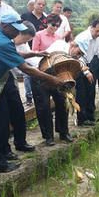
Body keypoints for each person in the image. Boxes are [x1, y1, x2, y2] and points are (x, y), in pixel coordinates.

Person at [0, 13, 64, 173]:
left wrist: (34, 53)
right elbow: (26, 69)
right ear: (5, 26)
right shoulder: (2, 42)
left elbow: (13, 55)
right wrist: (54, 80)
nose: (17, 33)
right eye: (14, 30)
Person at [0, 21, 40, 161]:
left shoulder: (15, 42)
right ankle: (4, 150)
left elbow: (20, 54)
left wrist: (35, 54)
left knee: (18, 111)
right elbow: (23, 66)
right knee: (3, 117)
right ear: (19, 33)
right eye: (25, 39)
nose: (25, 42)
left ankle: (20, 142)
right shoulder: (3, 41)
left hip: (9, 78)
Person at [30, 14, 69, 145]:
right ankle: (48, 136)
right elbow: (34, 53)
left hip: (55, 74)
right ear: (47, 23)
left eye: (57, 26)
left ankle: (63, 132)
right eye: (53, 25)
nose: (55, 28)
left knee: (61, 103)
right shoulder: (38, 35)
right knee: (44, 107)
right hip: (40, 74)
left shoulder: (58, 38)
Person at [21, 0, 48, 105]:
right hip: (26, 46)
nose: (41, 6)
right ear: (34, 4)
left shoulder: (46, 18)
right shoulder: (25, 16)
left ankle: (40, 93)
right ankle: (29, 96)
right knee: (27, 73)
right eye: (39, 4)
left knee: (40, 70)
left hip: (41, 50)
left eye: (43, 5)